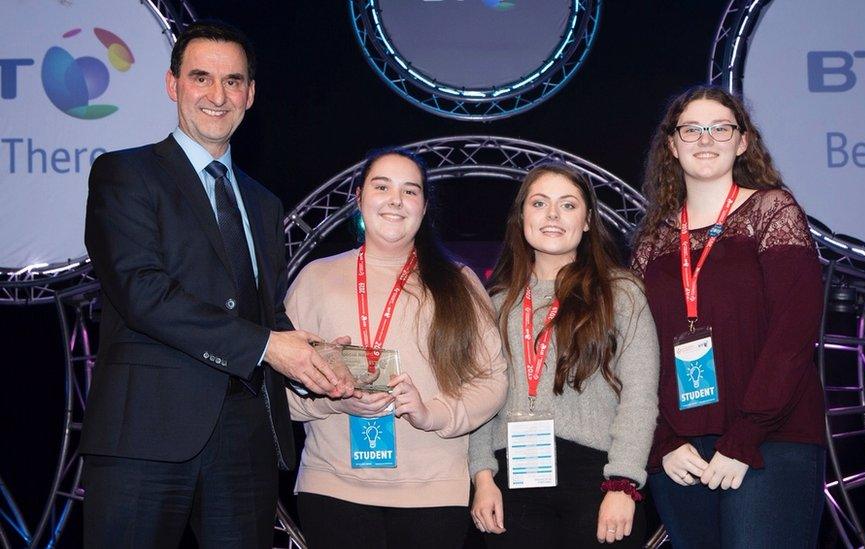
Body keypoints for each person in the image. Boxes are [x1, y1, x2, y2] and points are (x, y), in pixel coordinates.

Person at [81, 20, 354, 548]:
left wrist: (312, 354)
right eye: (201, 77)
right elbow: (143, 294)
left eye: (233, 81)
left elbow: (262, 311)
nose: (217, 94)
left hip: (245, 437)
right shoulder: (124, 175)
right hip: (145, 434)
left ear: (250, 95)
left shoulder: (263, 202)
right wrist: (270, 346)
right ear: (172, 84)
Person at [631, 85, 826, 548]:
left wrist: (746, 436)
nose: (705, 139)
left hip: (770, 438)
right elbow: (636, 354)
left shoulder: (772, 210)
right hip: (681, 451)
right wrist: (661, 441)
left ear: (742, 142)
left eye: (720, 128)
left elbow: (792, 333)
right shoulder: (651, 242)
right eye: (691, 129)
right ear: (672, 146)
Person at [285, 148, 508, 549]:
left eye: (410, 191)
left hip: (434, 493)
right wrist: (333, 399)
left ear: (424, 208)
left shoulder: (458, 283)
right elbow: (275, 390)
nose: (395, 200)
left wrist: (432, 414)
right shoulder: (315, 280)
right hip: (333, 488)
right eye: (382, 186)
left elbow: (492, 381)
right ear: (358, 197)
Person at [468, 163, 659, 547]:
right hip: (511, 484)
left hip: (598, 477)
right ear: (522, 216)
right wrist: (482, 476)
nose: (552, 215)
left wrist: (623, 483)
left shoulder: (621, 293)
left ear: (588, 221)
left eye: (568, 205)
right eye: (539, 203)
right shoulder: (495, 302)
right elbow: (478, 397)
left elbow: (640, 395)